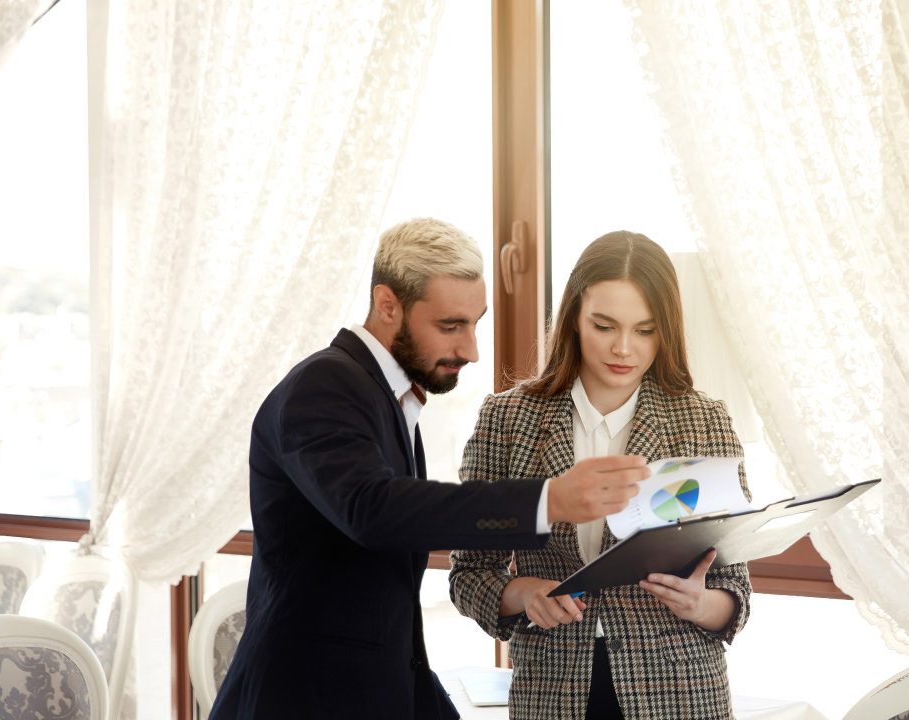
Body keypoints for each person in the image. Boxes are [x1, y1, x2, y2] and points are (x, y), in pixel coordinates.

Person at [210, 218, 650, 720]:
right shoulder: (325, 387)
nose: (471, 349)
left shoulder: (387, 399)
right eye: (450, 326)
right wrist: (549, 501)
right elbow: (375, 509)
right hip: (304, 697)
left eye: (475, 323)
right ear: (387, 305)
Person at [449, 231, 752, 720]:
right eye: (604, 325)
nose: (624, 349)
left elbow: (734, 588)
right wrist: (524, 595)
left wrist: (699, 604)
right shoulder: (507, 420)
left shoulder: (704, 421)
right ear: (573, 319)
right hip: (552, 690)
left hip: (679, 692)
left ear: (666, 331)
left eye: (645, 330)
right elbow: (468, 574)